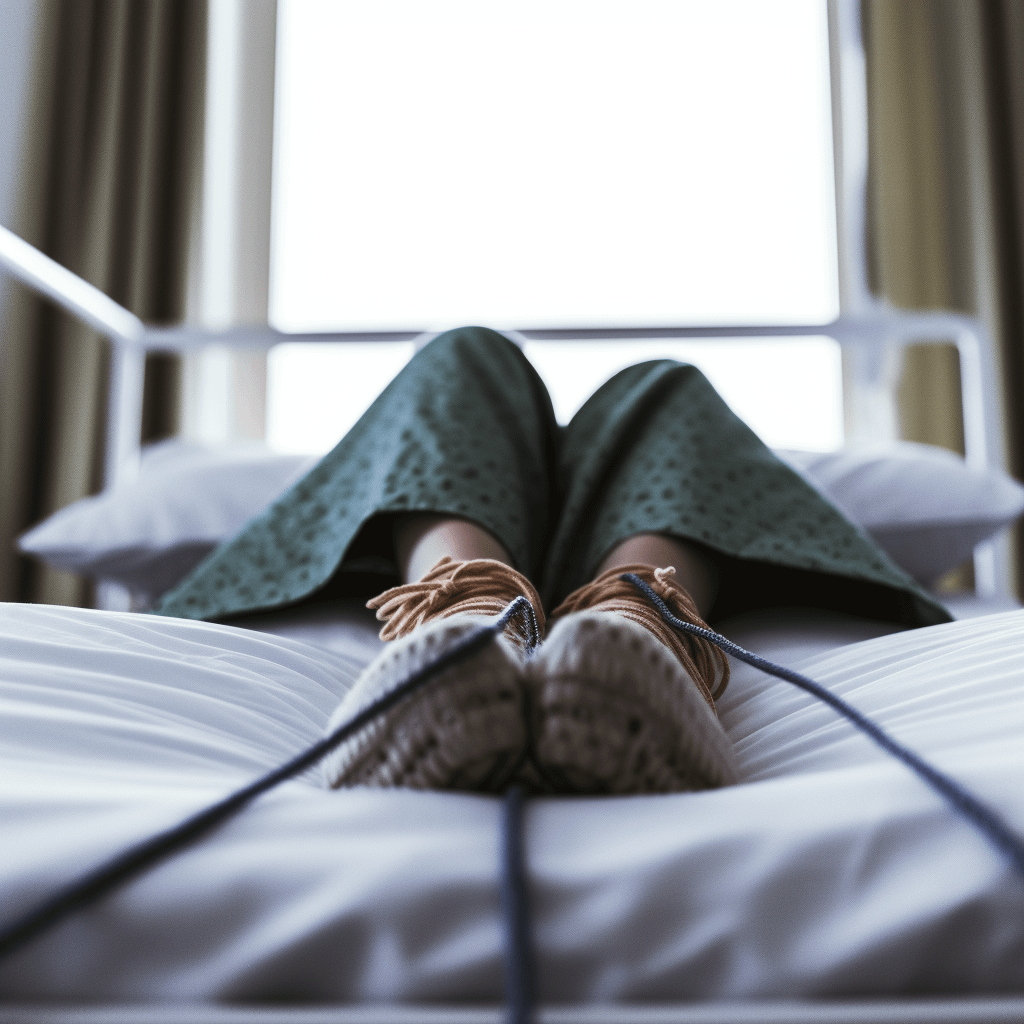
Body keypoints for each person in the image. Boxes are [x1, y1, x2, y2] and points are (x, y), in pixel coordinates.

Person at [156, 326, 949, 796]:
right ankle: (473, 608)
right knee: (462, 356)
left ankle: (634, 617)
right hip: (461, 521)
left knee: (664, 387)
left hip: (623, 530)